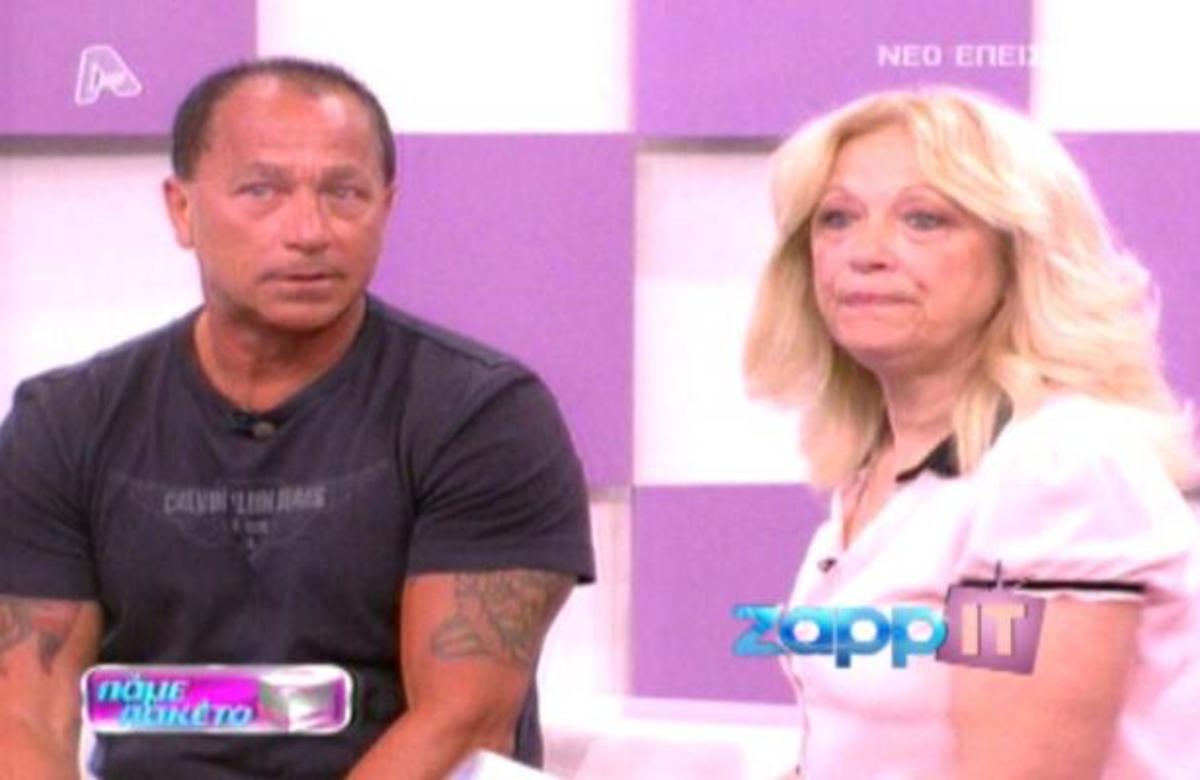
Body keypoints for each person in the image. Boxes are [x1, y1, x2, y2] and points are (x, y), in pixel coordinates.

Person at [0, 57, 594, 779]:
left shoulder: (482, 416)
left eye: (345, 193)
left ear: (387, 207)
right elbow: (24, 714)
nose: (311, 230)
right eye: (263, 190)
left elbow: (461, 722)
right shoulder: (66, 422)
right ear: (182, 209)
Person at [744, 87, 1200, 778]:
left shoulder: (1054, 472)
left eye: (923, 220)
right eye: (837, 218)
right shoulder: (885, 470)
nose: (865, 251)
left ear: (1020, 255)